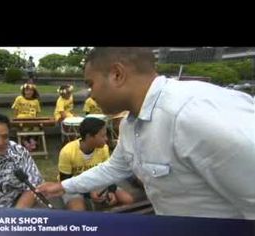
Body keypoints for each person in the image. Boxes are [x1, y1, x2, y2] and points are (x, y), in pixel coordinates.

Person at [36, 47, 255, 220]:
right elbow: (114, 168)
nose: (90, 94)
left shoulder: (192, 115)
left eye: (91, 84)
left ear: (117, 74)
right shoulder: (129, 124)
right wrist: (63, 186)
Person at [59, 117, 133, 211]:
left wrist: (111, 190)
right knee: (78, 210)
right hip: (73, 186)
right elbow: (65, 180)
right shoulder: (67, 151)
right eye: (102, 136)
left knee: (128, 200)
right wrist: (89, 192)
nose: (106, 139)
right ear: (89, 137)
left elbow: (109, 173)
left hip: (98, 181)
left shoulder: (103, 148)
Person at [12, 83, 41, 151]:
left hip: (32, 119)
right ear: (24, 91)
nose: (29, 92)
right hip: (22, 119)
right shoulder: (19, 99)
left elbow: (37, 113)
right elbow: (15, 111)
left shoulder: (36, 101)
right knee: (25, 128)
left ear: (34, 92)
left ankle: (32, 140)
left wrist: (36, 121)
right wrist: (16, 121)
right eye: (27, 90)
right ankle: (25, 141)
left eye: (31, 91)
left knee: (36, 128)